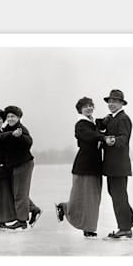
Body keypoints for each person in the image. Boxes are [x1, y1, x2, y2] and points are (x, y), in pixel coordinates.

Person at [55, 97, 107, 238]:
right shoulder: (81, 124)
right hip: (84, 166)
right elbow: (88, 135)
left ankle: (66, 208)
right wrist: (103, 137)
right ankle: (88, 228)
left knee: (93, 198)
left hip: (94, 165)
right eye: (85, 107)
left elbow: (99, 125)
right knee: (85, 198)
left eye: (91, 106)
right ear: (80, 110)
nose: (89, 108)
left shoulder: (91, 122)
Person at [96, 89, 133, 239]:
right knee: (115, 194)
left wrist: (112, 140)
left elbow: (124, 139)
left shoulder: (123, 119)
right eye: (109, 101)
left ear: (121, 103)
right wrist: (101, 121)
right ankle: (131, 218)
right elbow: (101, 126)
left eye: (115, 101)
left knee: (118, 196)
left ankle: (125, 228)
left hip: (119, 165)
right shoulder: (112, 118)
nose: (111, 104)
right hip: (113, 165)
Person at [3, 106, 42, 230]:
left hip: (24, 164)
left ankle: (21, 221)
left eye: (13, 116)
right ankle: (34, 209)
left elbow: (28, 142)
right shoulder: (6, 129)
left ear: (18, 117)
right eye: (8, 116)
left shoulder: (21, 129)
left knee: (20, 193)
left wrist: (19, 137)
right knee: (17, 192)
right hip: (13, 165)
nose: (10, 118)